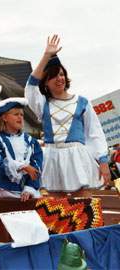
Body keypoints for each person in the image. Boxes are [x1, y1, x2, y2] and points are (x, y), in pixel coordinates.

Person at [25, 35, 111, 192]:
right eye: (53, 76)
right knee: (55, 206)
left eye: (61, 74)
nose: (59, 79)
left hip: (78, 159)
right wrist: (46, 55)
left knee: (84, 203)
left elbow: (95, 133)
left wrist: (103, 161)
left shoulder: (82, 102)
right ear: (45, 82)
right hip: (53, 159)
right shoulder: (43, 104)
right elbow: (30, 87)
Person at [0, 98, 43, 201]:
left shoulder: (31, 142)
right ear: (4, 118)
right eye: (16, 114)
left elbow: (36, 168)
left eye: (22, 115)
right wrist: (22, 166)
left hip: (28, 195)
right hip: (4, 194)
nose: (20, 117)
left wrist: (29, 189)